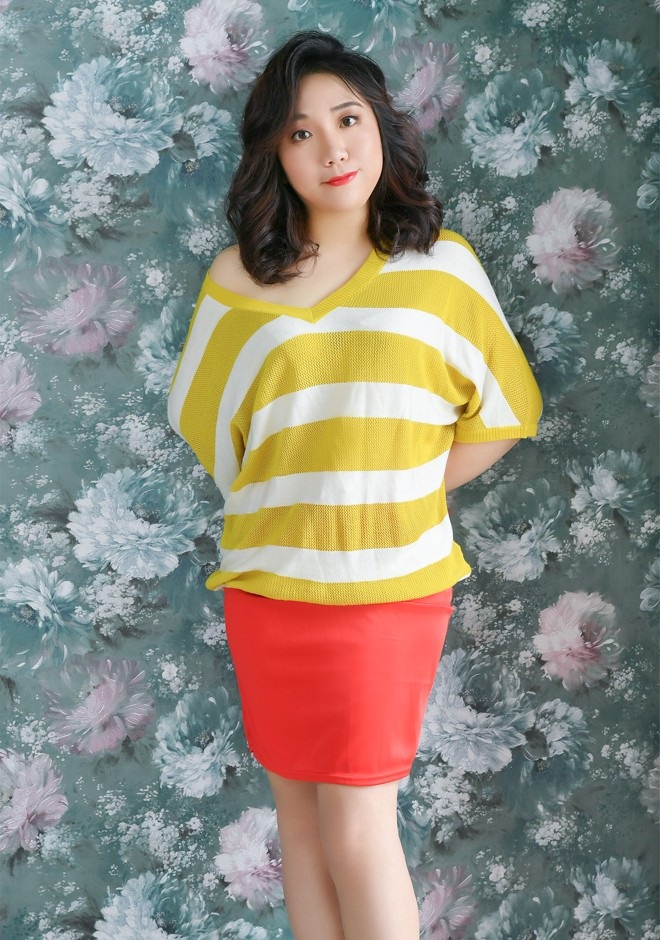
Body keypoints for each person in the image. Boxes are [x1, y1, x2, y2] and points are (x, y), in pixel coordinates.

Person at [168, 30, 542, 940]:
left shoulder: (442, 269)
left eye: (347, 119)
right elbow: (217, 436)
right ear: (274, 153)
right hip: (269, 588)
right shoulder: (236, 280)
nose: (331, 147)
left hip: (388, 590)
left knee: (358, 829)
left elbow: (504, 410)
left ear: (381, 128)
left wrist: (391, 492)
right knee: (299, 828)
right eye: (301, 132)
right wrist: (305, 494)